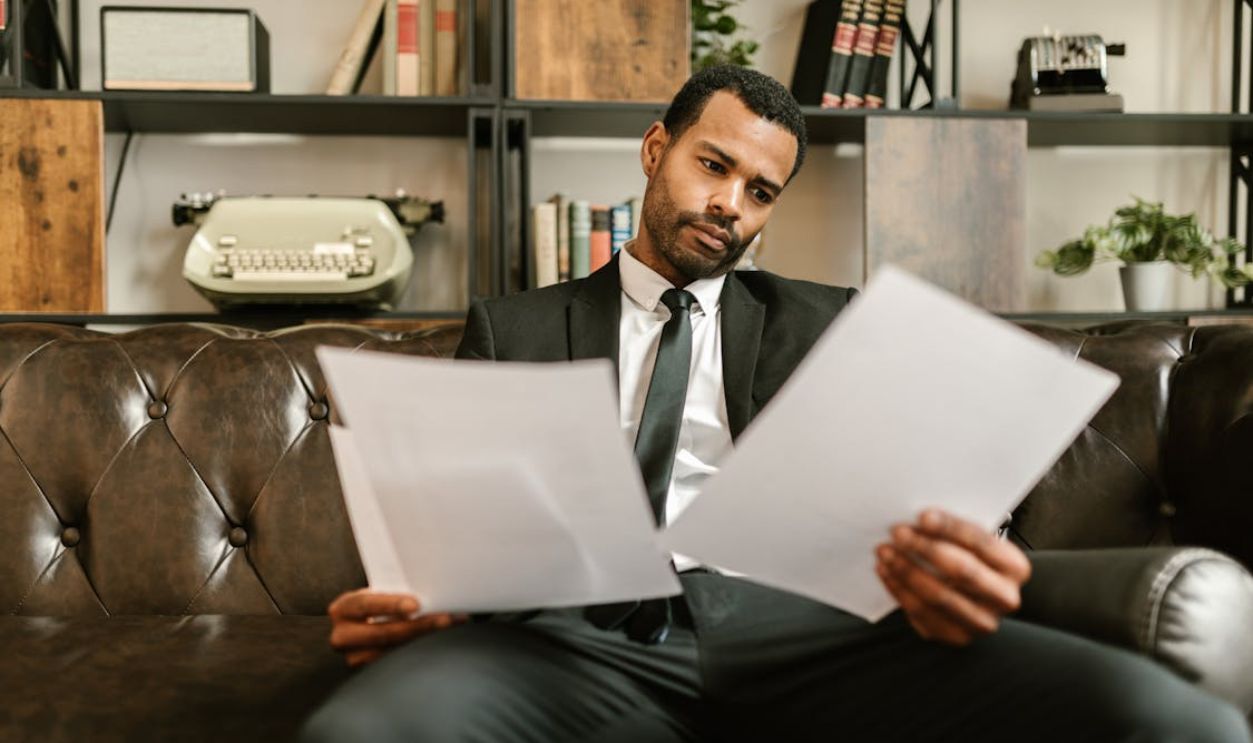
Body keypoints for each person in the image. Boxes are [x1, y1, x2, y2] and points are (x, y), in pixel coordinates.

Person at [302, 66, 1250, 742]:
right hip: (572, 640)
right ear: (654, 149)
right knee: (362, 730)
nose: (730, 205)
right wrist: (424, 602)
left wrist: (974, 548)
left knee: (1174, 719)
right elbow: (454, 531)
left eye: (759, 191)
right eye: (712, 166)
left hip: (811, 629)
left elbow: (939, 492)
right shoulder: (509, 327)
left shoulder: (836, 320)